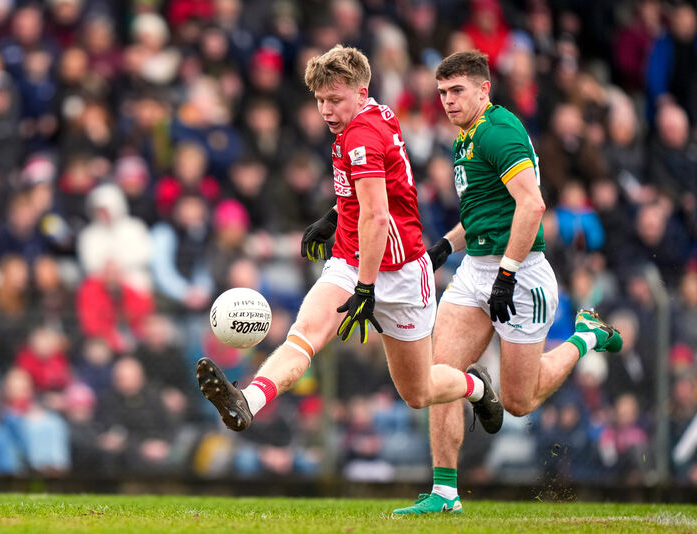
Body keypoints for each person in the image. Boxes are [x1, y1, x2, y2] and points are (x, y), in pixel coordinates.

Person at [197, 45, 503, 454]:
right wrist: (334, 217)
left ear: (361, 93)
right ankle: (247, 401)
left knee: (419, 391)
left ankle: (476, 386)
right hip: (351, 259)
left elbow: (378, 217)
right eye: (320, 100)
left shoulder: (361, 134)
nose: (325, 109)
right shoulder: (373, 114)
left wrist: (366, 288)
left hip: (403, 272)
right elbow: (371, 192)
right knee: (304, 336)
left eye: (334, 100)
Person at [382, 50, 620, 514]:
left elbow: (532, 207)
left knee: (518, 401)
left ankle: (587, 336)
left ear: (483, 89)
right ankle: (445, 493)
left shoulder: (498, 131)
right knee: (441, 372)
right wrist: (446, 247)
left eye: (457, 91)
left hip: (522, 272)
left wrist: (507, 275)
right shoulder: (465, 137)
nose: (448, 101)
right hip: (477, 272)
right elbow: (485, 216)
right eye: (442, 93)